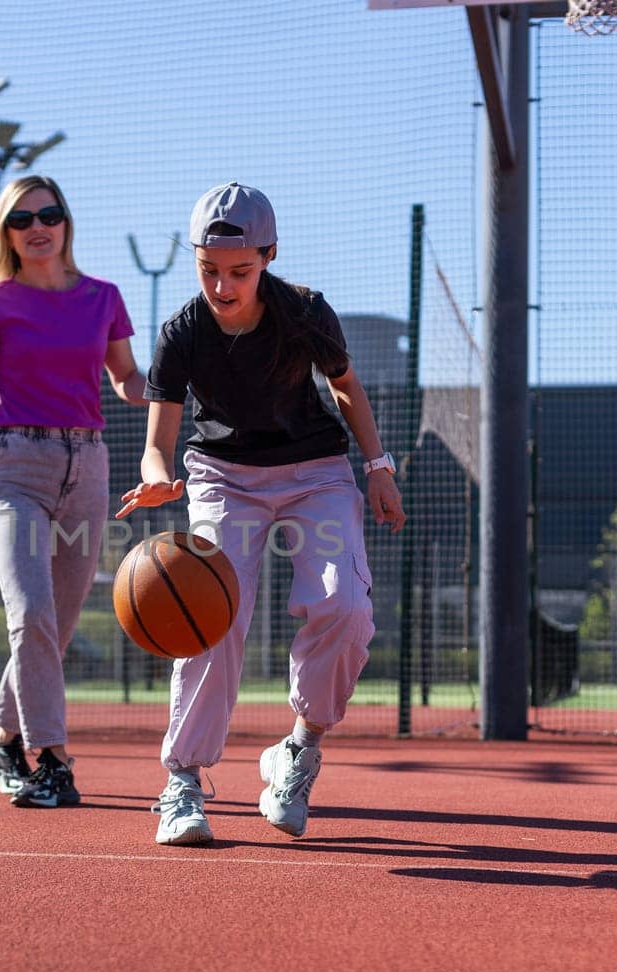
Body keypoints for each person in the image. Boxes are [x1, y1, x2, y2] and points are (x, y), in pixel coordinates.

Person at [117, 183, 405, 845]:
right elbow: (158, 444)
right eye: (209, 270)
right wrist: (159, 480)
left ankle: (298, 749)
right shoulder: (182, 332)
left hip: (315, 471)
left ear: (269, 255)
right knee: (209, 613)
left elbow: (345, 386)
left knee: (346, 608)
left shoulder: (303, 311)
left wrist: (379, 466)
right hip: (223, 477)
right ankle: (182, 782)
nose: (223, 286)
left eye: (239, 271)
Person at [0, 175, 146, 809]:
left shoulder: (104, 298)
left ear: (67, 222)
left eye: (48, 214)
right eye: (21, 218)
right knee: (32, 616)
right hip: (17, 468)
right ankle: (53, 761)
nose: (37, 225)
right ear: (6, 233)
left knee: (56, 626)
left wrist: (169, 388)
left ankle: (2, 740)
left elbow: (126, 378)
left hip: (89, 468)